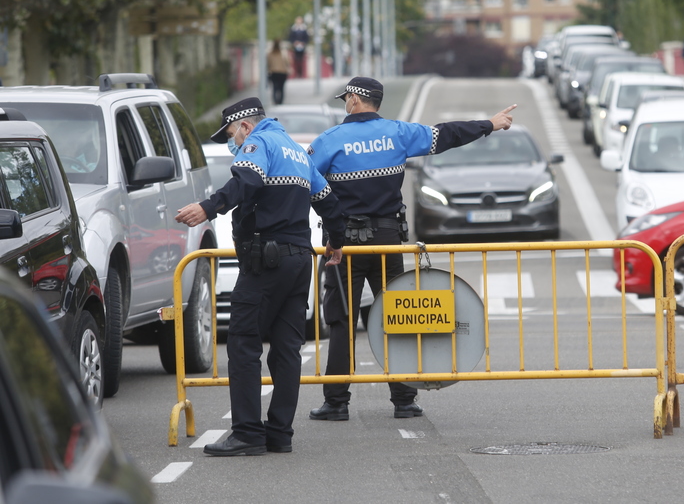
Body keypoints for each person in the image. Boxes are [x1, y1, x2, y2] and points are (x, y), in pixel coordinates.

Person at [307, 76, 516, 423]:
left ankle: (337, 402)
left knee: (341, 319)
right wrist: (489, 124)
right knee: (396, 316)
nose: (345, 103)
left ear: (357, 100)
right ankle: (404, 400)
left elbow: (307, 182)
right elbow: (447, 134)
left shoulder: (331, 140)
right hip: (389, 242)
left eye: (347, 98)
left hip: (345, 246)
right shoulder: (399, 133)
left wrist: (332, 233)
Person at [175, 97, 345, 456]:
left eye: (233, 136)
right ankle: (280, 433)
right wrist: (336, 242)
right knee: (286, 351)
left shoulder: (259, 143)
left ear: (246, 127)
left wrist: (208, 207)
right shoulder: (299, 154)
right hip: (299, 261)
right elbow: (329, 201)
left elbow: (247, 182)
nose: (235, 145)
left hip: (266, 261)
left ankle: (248, 433)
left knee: (243, 343)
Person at [267, 40, 291, 105]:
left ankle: (275, 101)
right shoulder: (283, 53)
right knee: (281, 88)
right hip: (282, 72)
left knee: (275, 87)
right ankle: (280, 102)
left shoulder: (270, 54)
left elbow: (268, 63)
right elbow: (288, 62)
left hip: (274, 72)